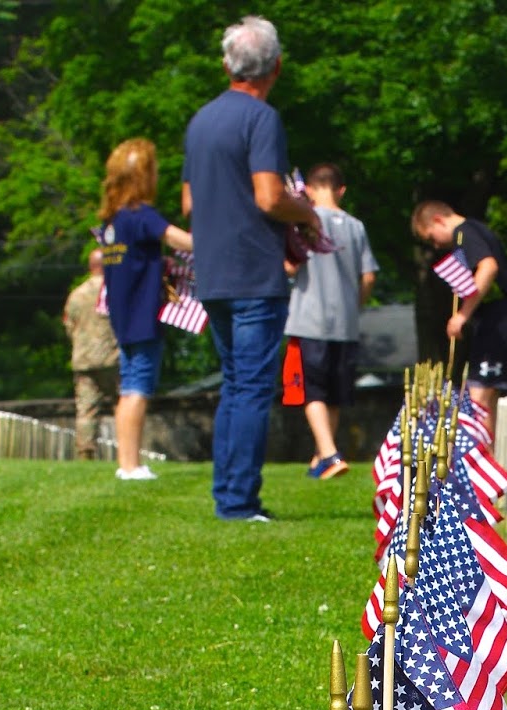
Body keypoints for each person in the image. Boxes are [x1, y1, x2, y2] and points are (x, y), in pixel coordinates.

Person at [182, 15, 321, 521]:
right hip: (254, 273)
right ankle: (239, 502)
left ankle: (229, 495)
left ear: (226, 65)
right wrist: (306, 213)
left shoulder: (200, 121)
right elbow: (268, 197)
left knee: (234, 385)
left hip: (213, 272)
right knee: (252, 388)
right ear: (277, 66)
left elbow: (190, 202)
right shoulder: (262, 120)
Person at [99, 140, 192, 480]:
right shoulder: (142, 216)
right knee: (138, 387)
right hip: (143, 317)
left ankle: (127, 463)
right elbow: (177, 239)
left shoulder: (114, 221)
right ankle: (130, 465)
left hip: (123, 319)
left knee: (128, 387)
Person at [284, 162, 378, 480]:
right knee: (335, 394)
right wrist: (355, 306)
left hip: (309, 318)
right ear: (342, 190)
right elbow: (368, 277)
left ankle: (330, 454)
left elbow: (290, 267)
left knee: (311, 391)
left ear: (307, 190)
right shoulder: (357, 226)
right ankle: (320, 457)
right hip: (346, 322)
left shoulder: (302, 221)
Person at [410, 199, 507, 436]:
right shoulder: (474, 229)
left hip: (500, 318)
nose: (434, 245)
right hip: (498, 318)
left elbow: (488, 266)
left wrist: (462, 315)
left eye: (431, 237)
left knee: (479, 397)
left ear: (438, 220)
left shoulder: (464, 232)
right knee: (485, 397)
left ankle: (478, 461)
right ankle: (487, 458)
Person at [62, 248, 119, 460]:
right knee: (123, 403)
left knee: (86, 410)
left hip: (84, 360)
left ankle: (85, 453)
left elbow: (69, 325)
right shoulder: (114, 290)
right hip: (113, 358)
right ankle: (129, 454)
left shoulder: (76, 294)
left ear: (90, 267)